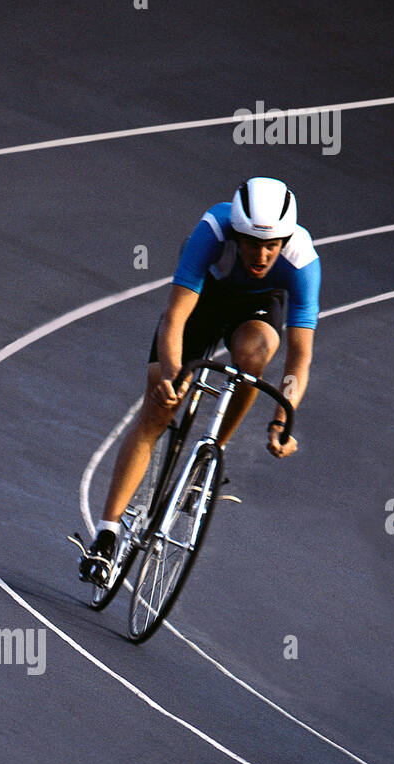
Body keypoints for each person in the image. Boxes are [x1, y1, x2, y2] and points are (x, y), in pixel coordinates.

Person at [78, 176, 320, 586]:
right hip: (203, 299)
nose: (261, 255)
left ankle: (211, 457)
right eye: (252, 243)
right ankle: (106, 533)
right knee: (160, 407)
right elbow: (175, 318)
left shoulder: (301, 261)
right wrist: (172, 374)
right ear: (236, 234)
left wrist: (284, 419)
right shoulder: (211, 231)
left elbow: (299, 357)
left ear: (285, 241)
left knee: (255, 354)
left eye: (271, 246)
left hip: (258, 309)